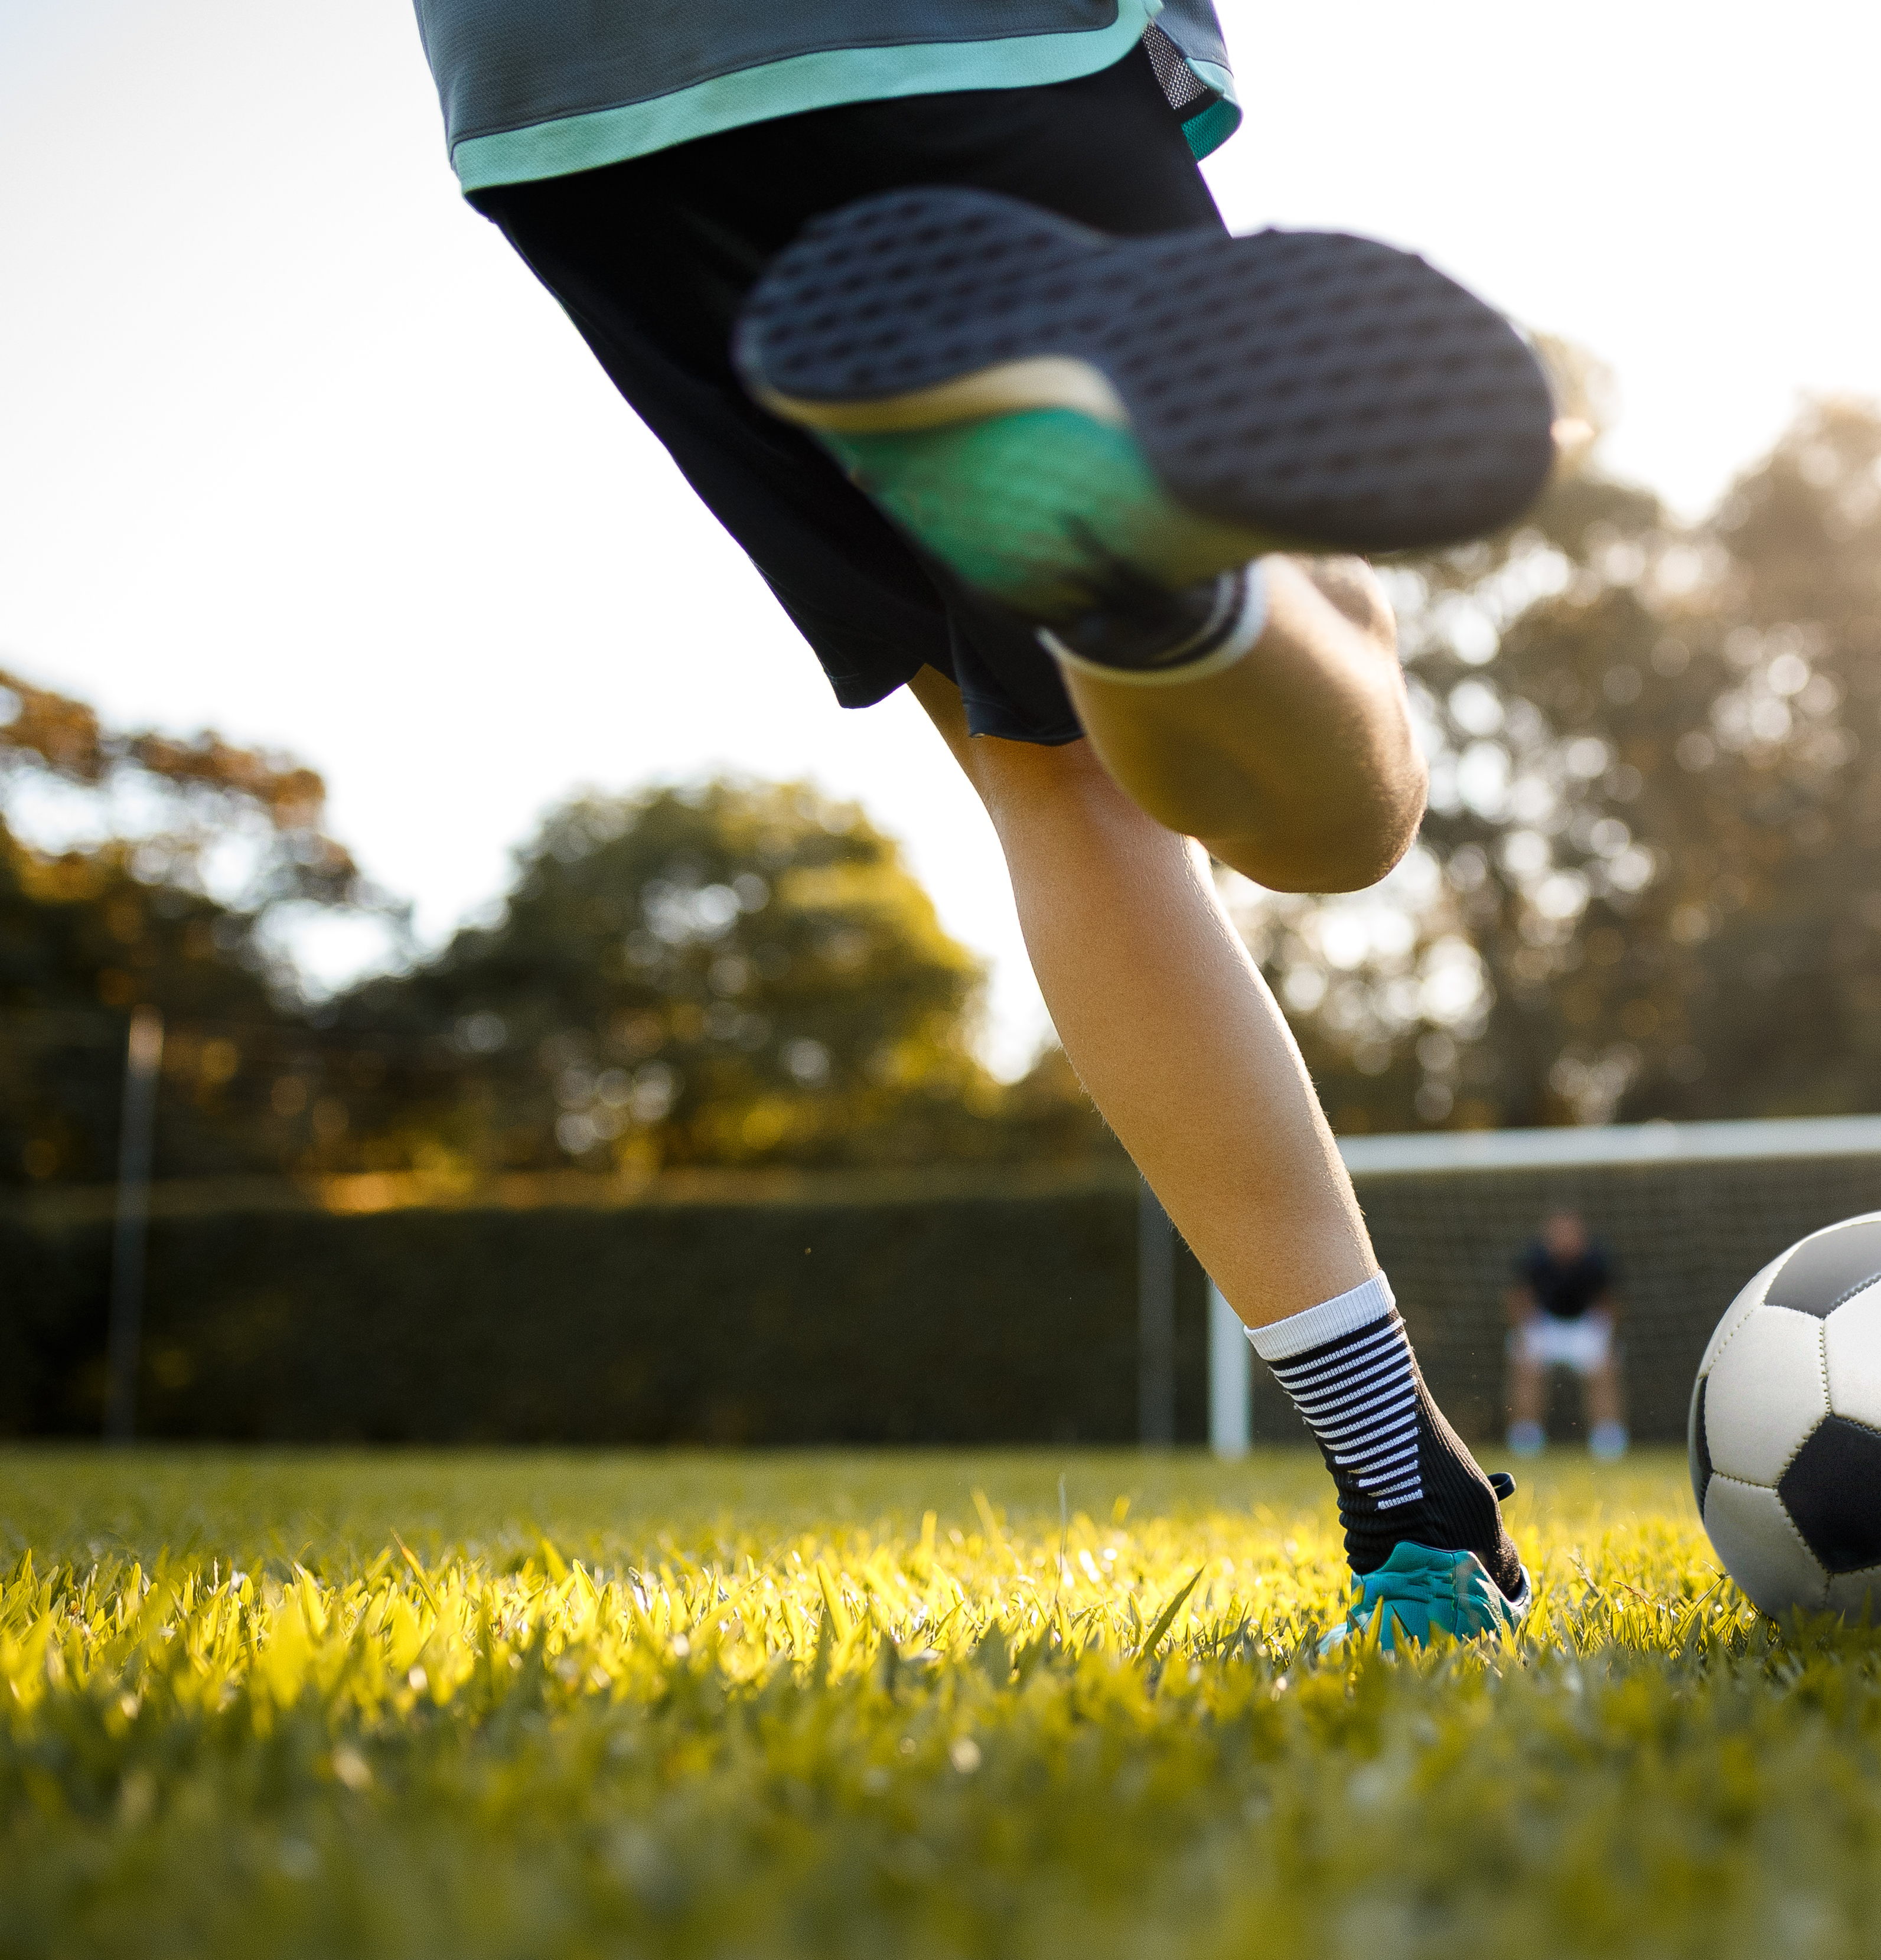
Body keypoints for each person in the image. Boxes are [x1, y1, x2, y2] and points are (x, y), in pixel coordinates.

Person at [405, 2, 1553, 1648]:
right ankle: (1183, 590)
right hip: (956, 29)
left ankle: (1409, 1504)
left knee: (1050, 773)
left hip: (570, 95)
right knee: (1337, 815)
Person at [1504, 1209, 1627, 1461]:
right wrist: (1525, 1334)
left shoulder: (1596, 1260)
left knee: (1604, 1365)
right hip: (1545, 1323)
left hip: (1584, 1325)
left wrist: (1604, 1336)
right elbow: (1519, 1298)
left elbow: (1608, 1301)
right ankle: (1526, 1438)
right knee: (1525, 1363)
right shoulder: (1534, 1259)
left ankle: (1608, 1440)